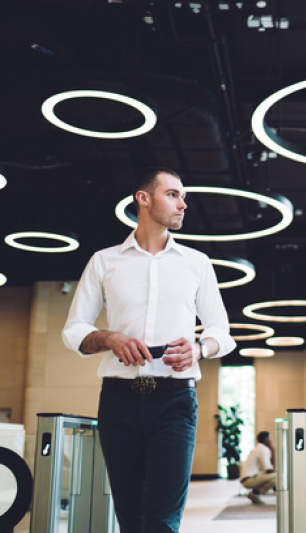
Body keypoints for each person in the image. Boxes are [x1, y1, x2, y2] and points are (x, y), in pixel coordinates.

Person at [62, 167, 236, 533]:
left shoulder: (196, 263)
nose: (183, 204)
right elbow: (74, 329)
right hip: (118, 401)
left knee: (160, 521)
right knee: (130, 518)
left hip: (175, 403)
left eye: (182, 196)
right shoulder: (104, 261)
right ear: (144, 198)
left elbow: (223, 331)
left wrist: (200, 349)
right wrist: (110, 338)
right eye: (173, 194)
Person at [240, 431, 276, 504]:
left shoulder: (258, 448)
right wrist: (273, 451)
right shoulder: (263, 449)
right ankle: (256, 493)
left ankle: (255, 493)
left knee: (276, 476)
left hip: (247, 479)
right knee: (278, 477)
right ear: (266, 439)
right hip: (250, 480)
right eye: (270, 438)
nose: (272, 440)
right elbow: (268, 468)